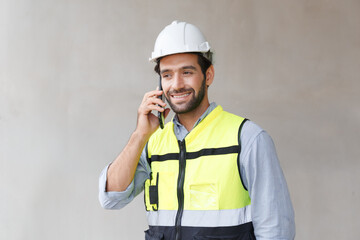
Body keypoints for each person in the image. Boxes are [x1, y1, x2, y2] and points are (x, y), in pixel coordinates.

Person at [99, 20, 295, 240]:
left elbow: (276, 231)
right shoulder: (152, 142)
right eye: (167, 75)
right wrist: (139, 135)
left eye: (187, 72)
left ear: (208, 75)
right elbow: (111, 198)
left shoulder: (247, 139)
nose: (176, 84)